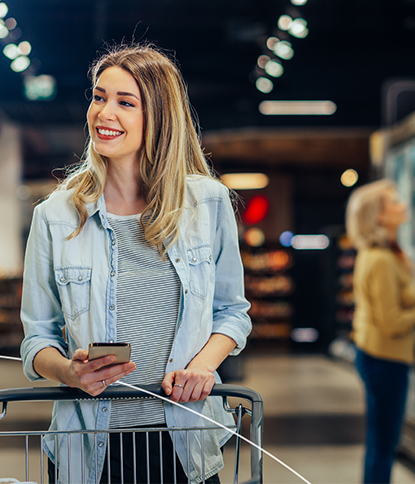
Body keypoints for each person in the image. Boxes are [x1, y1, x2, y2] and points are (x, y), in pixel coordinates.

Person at [19, 43, 252, 484]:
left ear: (160, 117)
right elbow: (37, 339)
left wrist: (203, 365)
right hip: (87, 450)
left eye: (126, 103)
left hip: (185, 444)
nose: (104, 113)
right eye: (99, 96)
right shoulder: (55, 215)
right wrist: (70, 371)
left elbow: (232, 313)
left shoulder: (207, 203)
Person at [345, 179, 415, 484]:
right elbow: (392, 321)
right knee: (384, 444)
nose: (403, 206)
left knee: (380, 440)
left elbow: (390, 301)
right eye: (395, 203)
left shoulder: (382, 253)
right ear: (379, 216)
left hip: (379, 356)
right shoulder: (382, 259)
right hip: (384, 358)